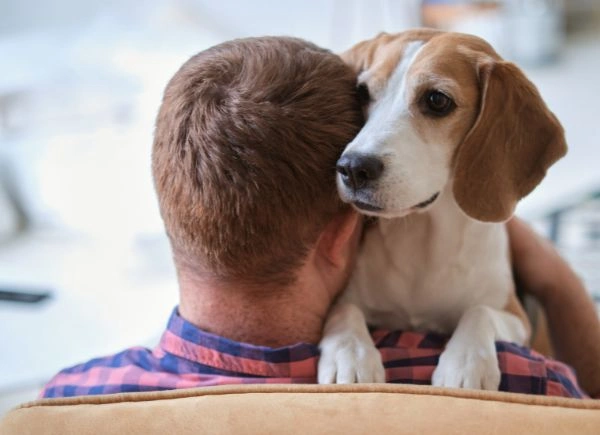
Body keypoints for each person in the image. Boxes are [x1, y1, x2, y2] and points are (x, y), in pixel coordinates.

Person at [41, 36, 599, 399]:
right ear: (342, 234)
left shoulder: (65, 397)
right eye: (368, 98)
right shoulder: (538, 386)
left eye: (433, 103)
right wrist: (555, 281)